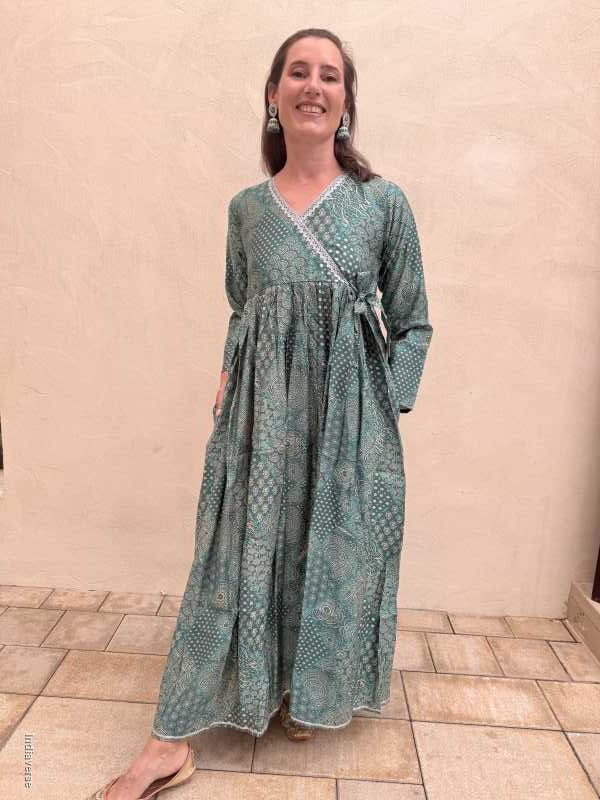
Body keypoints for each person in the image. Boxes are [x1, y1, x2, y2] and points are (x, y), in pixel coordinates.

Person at [88, 27, 433, 800]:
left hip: (350, 424)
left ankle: (306, 691)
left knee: (334, 554)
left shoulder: (383, 203)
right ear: (274, 95)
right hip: (260, 416)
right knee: (232, 555)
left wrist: (389, 399)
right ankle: (167, 742)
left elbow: (414, 320)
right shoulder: (247, 209)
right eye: (298, 73)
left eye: (331, 76)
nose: (314, 86)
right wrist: (226, 372)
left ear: (347, 100)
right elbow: (244, 307)